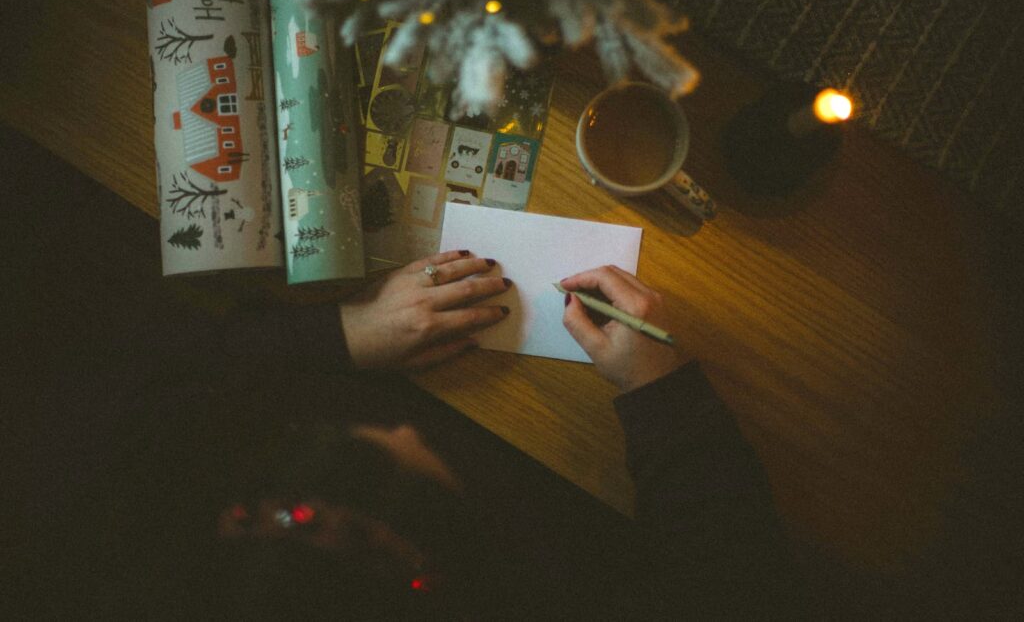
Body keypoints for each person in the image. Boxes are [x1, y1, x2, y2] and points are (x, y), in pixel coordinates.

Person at [99, 250, 793, 617]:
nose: (406, 428)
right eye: (420, 480)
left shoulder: (146, 535)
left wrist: (344, 332)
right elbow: (734, 586)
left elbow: (139, 365)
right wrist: (663, 394)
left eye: (347, 444)